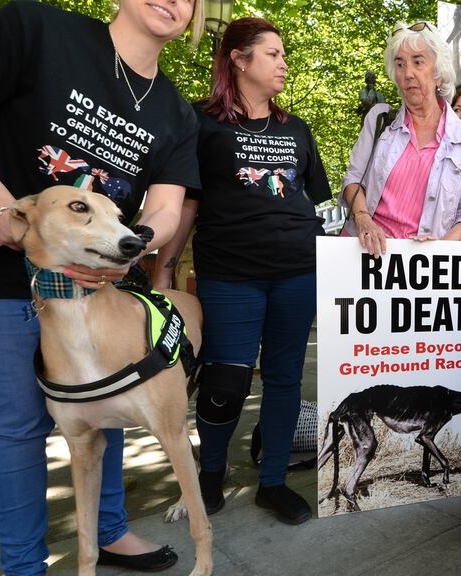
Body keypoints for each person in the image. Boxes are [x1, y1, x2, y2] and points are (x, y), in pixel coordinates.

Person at [0, 0, 204, 573]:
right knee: (18, 422)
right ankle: (25, 566)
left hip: (91, 277)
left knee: (106, 400)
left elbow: (167, 207)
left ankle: (108, 531)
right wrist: (2, 209)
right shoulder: (37, 29)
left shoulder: (177, 111)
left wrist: (134, 244)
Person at [153, 17, 329, 525]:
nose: (283, 63)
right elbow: (184, 203)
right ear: (239, 58)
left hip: (298, 272)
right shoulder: (201, 122)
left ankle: (272, 481)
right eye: (272, 53)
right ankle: (209, 476)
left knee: (284, 380)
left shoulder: (295, 128)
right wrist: (163, 273)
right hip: (230, 275)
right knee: (225, 380)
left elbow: (308, 200)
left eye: (282, 54)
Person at [340, 20, 461, 257]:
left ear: (438, 73)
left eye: (418, 62)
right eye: (400, 64)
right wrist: (363, 219)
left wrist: (439, 249)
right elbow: (353, 179)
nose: (408, 73)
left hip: (422, 271)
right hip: (364, 257)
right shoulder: (379, 120)